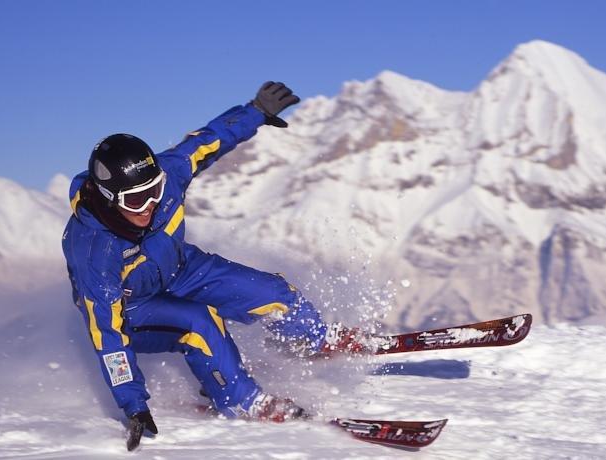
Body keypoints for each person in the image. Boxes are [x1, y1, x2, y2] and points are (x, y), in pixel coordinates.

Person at [61, 82, 373, 451]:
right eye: (136, 198)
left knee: (273, 292)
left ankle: (316, 339)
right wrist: (133, 403)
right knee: (202, 323)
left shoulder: (167, 176)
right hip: (134, 309)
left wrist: (256, 111)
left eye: (155, 190)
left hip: (182, 267)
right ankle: (241, 399)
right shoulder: (95, 250)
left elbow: (208, 141)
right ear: (110, 198)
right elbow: (106, 333)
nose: (150, 203)